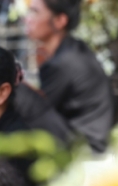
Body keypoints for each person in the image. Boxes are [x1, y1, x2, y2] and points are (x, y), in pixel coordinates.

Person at [25, 0, 114, 152]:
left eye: (35, 12)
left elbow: (38, 113)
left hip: (86, 152)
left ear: (60, 20)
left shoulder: (63, 63)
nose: (27, 19)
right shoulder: (74, 49)